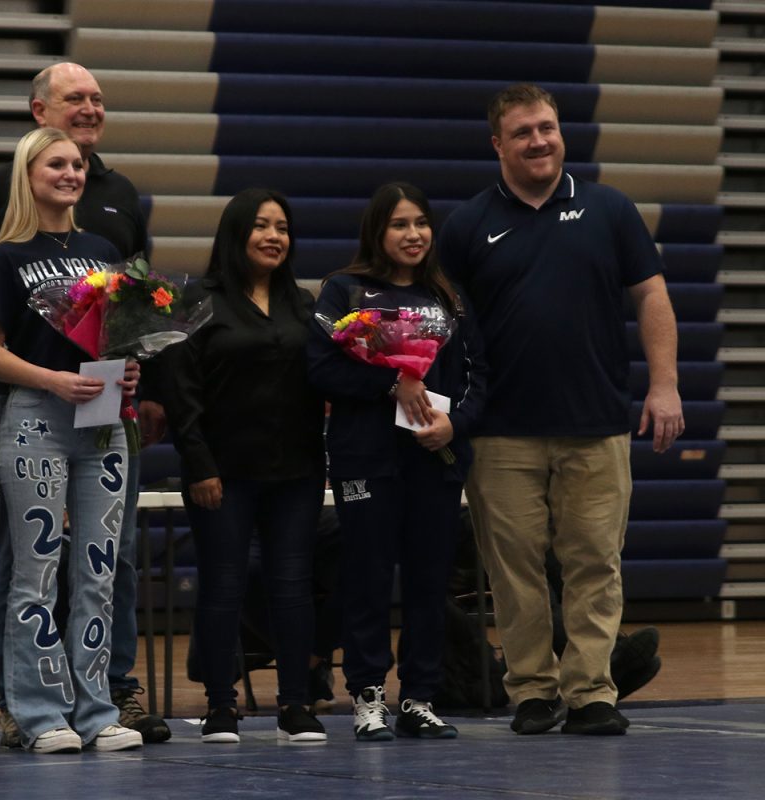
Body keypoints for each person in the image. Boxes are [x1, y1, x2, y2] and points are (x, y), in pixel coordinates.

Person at [436, 83, 684, 736]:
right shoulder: (466, 226)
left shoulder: (611, 210)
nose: (539, 140)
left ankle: (591, 693)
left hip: (597, 426)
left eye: (546, 127)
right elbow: (437, 325)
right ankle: (534, 693)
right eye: (522, 132)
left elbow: (652, 297)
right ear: (498, 144)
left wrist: (666, 385)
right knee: (512, 572)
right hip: (499, 434)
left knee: (594, 565)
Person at [0, 61, 169, 745]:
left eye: (76, 168)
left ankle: (97, 709)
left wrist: (129, 374)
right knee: (36, 566)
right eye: (55, 164)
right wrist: (52, 381)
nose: (71, 174)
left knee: (99, 569)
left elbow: (123, 335)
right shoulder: (5, 255)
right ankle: (36, 710)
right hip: (34, 417)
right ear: (29, 172)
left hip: (105, 418)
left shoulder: (104, 248)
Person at [307, 182, 487, 741]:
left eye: (421, 223)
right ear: (377, 232)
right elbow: (320, 369)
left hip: (433, 459)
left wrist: (455, 423)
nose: (413, 235)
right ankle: (367, 697)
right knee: (366, 575)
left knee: (431, 581)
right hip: (367, 458)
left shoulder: (450, 296)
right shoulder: (345, 291)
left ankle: (419, 697)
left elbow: (480, 376)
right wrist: (391, 382)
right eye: (399, 225)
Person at [161, 187, 327, 744]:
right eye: (261, 226)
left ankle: (297, 703)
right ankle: (219, 706)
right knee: (223, 587)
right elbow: (183, 397)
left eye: (282, 227)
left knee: (292, 588)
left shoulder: (304, 304)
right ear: (236, 233)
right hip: (221, 474)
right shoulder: (196, 301)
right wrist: (199, 463)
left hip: (297, 472)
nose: (274, 236)